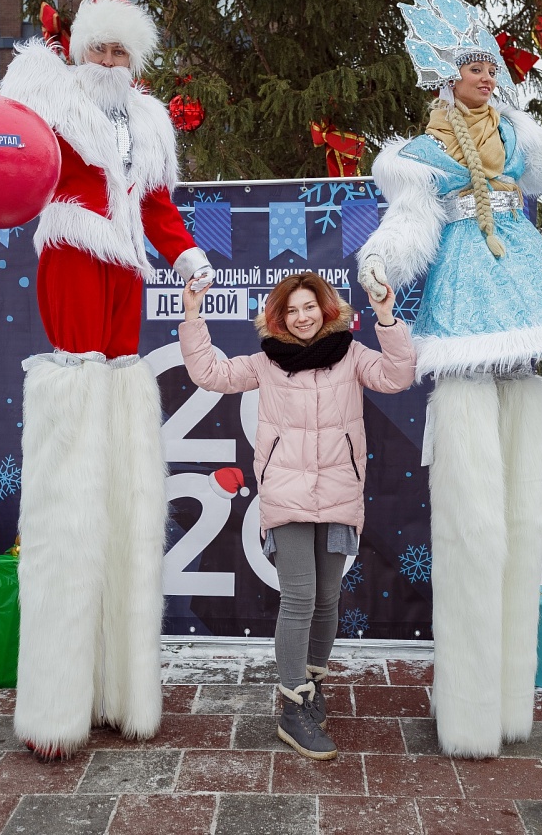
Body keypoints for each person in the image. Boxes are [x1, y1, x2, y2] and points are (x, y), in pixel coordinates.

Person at [357, 0, 542, 759]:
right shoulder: (423, 155)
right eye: (473, 66)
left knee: (517, 496)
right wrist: (380, 263)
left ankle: (509, 699)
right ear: (446, 76)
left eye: (489, 65)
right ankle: (470, 702)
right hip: (467, 298)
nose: (485, 75)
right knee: (472, 497)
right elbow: (410, 227)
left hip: (523, 293)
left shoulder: (514, 131)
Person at [0, 0, 215, 757]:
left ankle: (117, 684)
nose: (108, 61)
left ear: (133, 60)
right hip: (72, 249)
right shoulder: (49, 92)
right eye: (98, 48)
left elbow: (157, 206)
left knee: (122, 380)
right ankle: (56, 700)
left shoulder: (149, 121)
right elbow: (2, 137)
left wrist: (187, 255)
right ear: (79, 51)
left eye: (119, 52)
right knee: (77, 380)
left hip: (126, 269)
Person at [179, 272, 416, 758]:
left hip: (339, 493)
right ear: (278, 318)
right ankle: (292, 706)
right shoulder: (266, 362)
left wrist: (386, 317)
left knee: (327, 599)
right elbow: (210, 373)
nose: (301, 317)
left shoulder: (352, 355)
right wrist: (193, 314)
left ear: (326, 309)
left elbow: (397, 376)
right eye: (291, 310)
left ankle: (311, 686)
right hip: (286, 496)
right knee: (299, 598)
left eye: (309, 307)